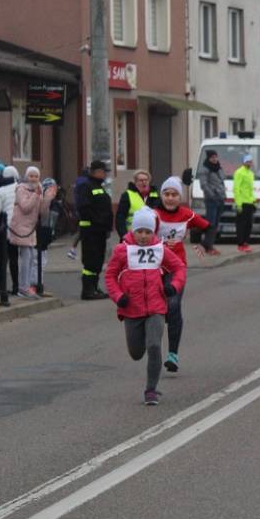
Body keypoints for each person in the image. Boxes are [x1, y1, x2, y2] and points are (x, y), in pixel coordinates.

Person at [105, 207, 187, 406]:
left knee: (154, 346)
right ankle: (145, 367)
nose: (143, 236)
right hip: (131, 309)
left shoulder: (160, 249)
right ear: (133, 231)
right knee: (136, 353)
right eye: (140, 231)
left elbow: (179, 268)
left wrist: (173, 287)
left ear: (153, 233)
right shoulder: (122, 250)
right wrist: (118, 296)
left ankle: (151, 389)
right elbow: (110, 276)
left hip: (156, 307)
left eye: (148, 232)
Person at [155, 177, 210, 372]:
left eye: (174, 194)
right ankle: (153, 348)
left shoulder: (187, 215)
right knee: (156, 310)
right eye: (166, 194)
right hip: (153, 267)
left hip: (177, 267)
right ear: (162, 195)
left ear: (180, 197)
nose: (170, 198)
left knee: (174, 305)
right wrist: (159, 244)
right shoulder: (153, 215)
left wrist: (202, 243)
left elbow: (207, 226)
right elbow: (140, 236)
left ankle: (173, 355)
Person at [10, 166, 54, 299]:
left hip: (31, 228)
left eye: (36, 176)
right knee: (27, 257)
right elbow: (25, 208)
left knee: (30, 258)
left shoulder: (38, 189)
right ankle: (23, 287)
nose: (33, 179)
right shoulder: (21, 188)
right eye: (31, 176)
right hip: (21, 227)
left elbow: (41, 211)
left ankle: (26, 286)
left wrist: (47, 199)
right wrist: (35, 194)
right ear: (26, 176)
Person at [76, 160, 114, 300]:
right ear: (96, 172)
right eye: (103, 172)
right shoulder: (86, 186)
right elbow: (84, 208)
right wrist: (98, 221)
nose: (105, 174)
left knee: (98, 261)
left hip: (100, 231)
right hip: (91, 230)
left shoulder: (98, 186)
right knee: (90, 261)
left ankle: (94, 287)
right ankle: (87, 290)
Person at [0, 166, 20, 296]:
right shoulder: (20, 188)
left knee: (1, 259)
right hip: (18, 229)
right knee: (15, 260)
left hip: (3, 230)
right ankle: (16, 286)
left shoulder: (0, 190)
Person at [115, 169, 160, 238]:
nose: (144, 182)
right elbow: (120, 217)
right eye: (141, 180)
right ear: (135, 182)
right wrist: (123, 235)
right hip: (131, 236)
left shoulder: (155, 195)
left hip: (151, 236)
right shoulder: (127, 195)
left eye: (146, 180)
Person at [198, 150, 225, 256]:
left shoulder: (218, 168)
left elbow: (222, 181)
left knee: (216, 224)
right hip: (211, 200)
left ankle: (208, 245)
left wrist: (223, 195)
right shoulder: (204, 169)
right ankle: (207, 246)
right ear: (208, 158)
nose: (214, 159)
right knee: (211, 223)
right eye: (212, 157)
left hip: (220, 198)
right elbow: (203, 185)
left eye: (216, 157)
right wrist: (212, 195)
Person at [233, 153, 256, 252]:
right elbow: (236, 188)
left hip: (249, 202)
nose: (249, 163)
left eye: (250, 161)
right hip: (242, 203)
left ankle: (246, 242)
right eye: (248, 161)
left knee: (249, 224)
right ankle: (240, 244)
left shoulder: (251, 173)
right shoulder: (239, 172)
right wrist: (238, 204)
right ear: (244, 162)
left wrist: (254, 201)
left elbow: (251, 189)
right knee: (241, 224)